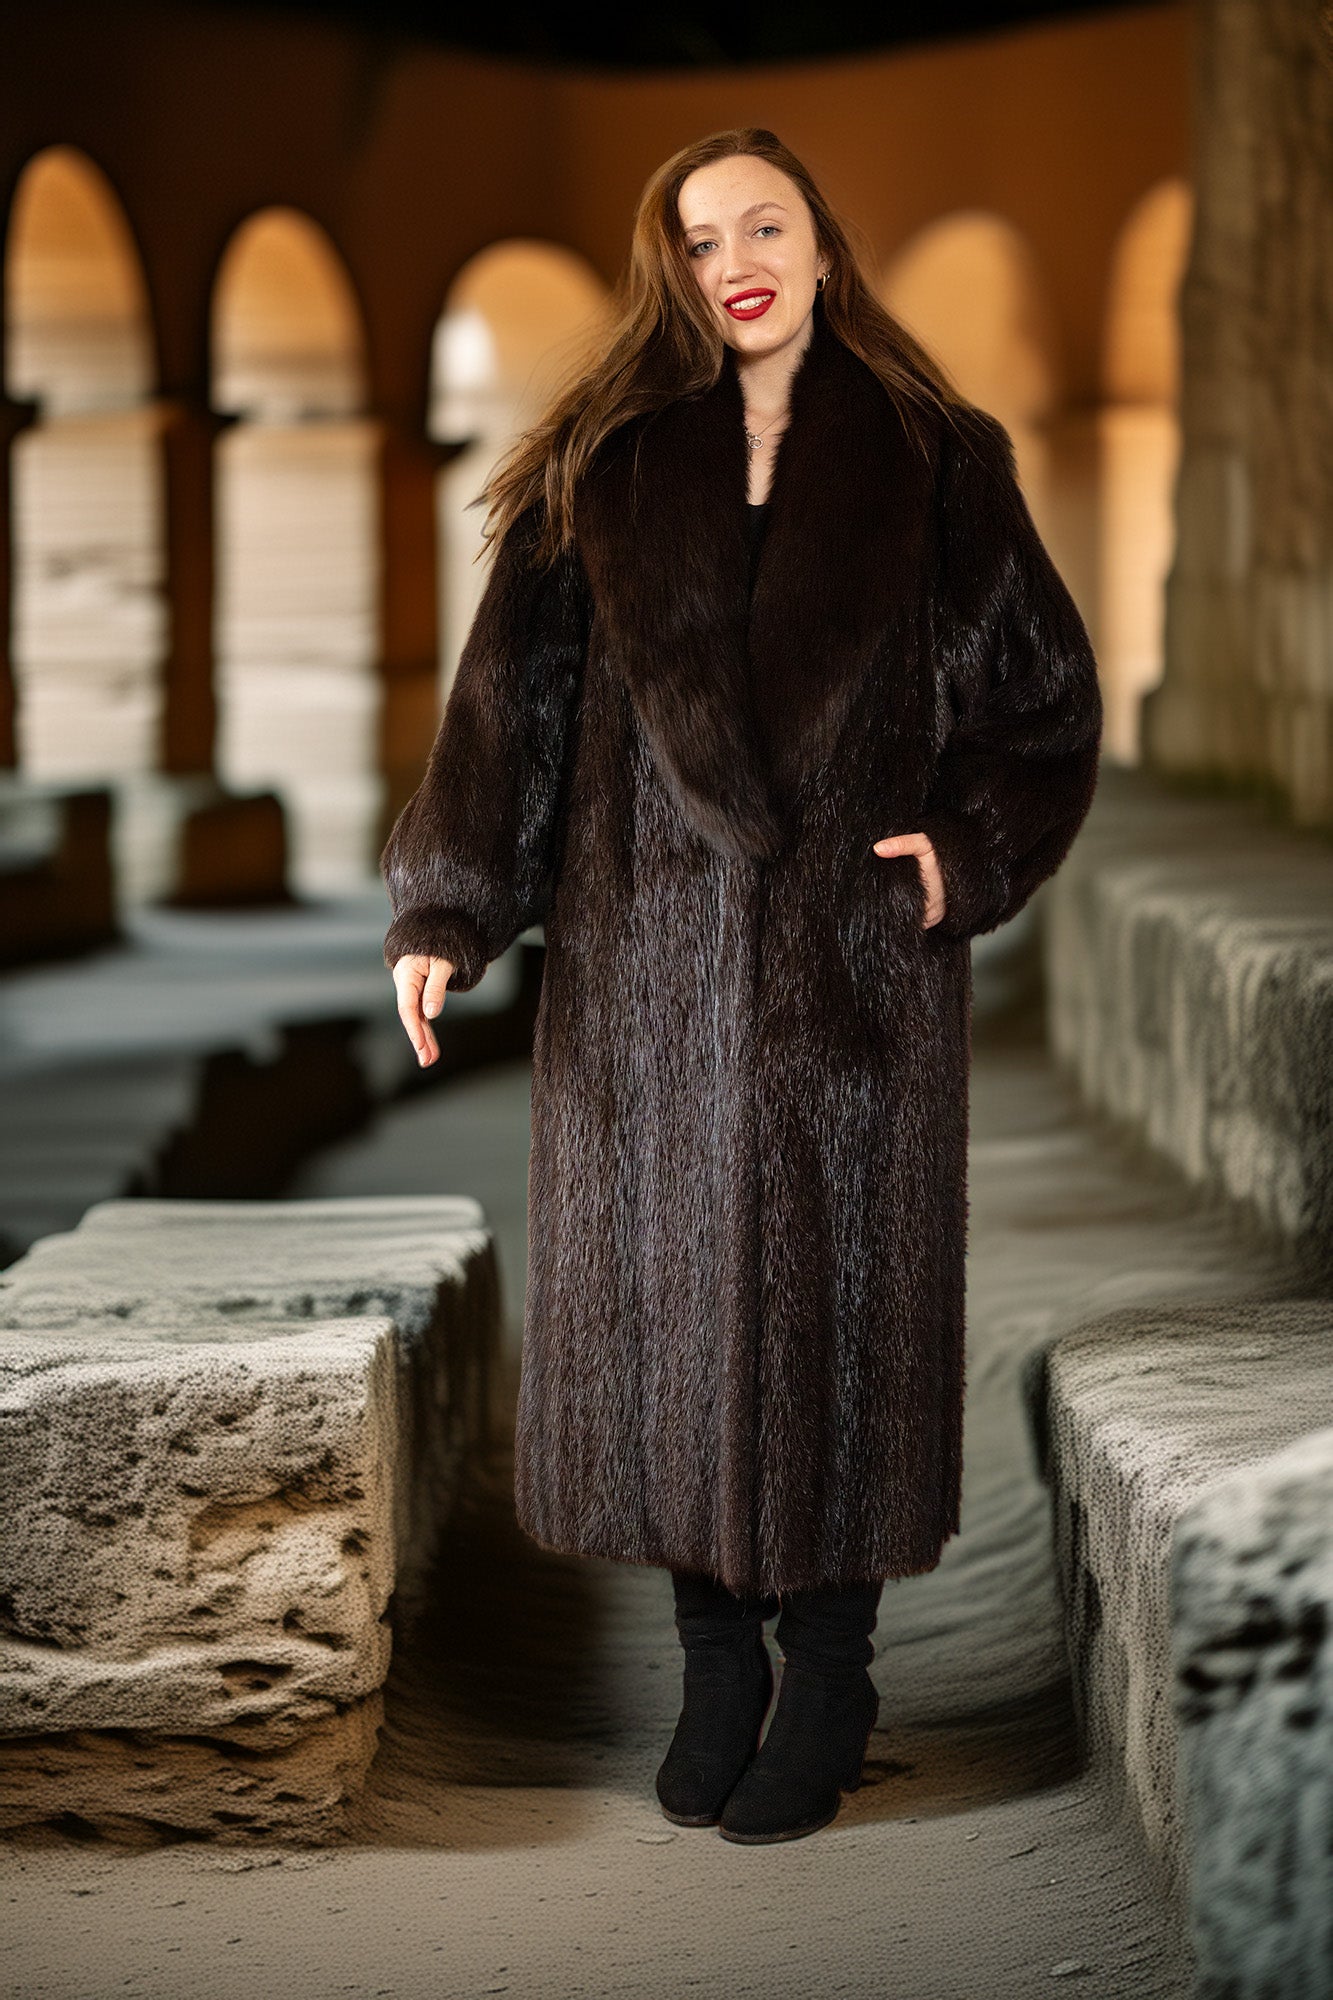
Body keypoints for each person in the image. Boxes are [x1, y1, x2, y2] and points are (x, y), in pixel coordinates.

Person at [382, 128, 1103, 1844]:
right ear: (676, 272)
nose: (734, 260)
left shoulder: (938, 461)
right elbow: (508, 720)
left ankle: (836, 1666)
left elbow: (1041, 703)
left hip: (856, 976)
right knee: (669, 1303)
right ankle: (714, 1658)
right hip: (639, 977)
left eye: (761, 224)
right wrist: (449, 908)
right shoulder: (600, 470)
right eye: (699, 239)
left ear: (820, 245)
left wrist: (963, 843)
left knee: (843, 1302)